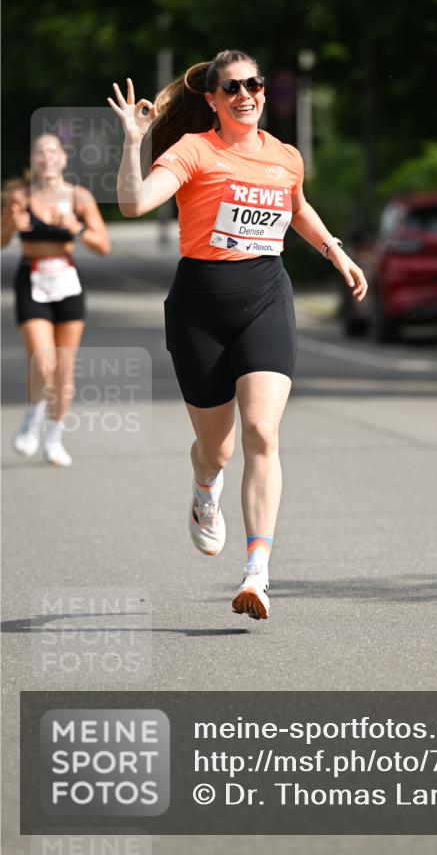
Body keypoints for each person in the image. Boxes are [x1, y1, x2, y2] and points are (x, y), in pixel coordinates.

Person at [108, 49, 367, 620]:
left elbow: (296, 207)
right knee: (217, 449)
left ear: (263, 92)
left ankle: (257, 572)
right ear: (213, 99)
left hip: (266, 299)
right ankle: (205, 489)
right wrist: (134, 141)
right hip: (200, 306)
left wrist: (335, 253)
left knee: (262, 433)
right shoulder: (193, 150)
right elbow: (132, 204)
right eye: (232, 88)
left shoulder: (285, 156)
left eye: (253, 85)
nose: (245, 95)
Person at [1, 133, 111, 466]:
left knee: (63, 369)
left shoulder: (79, 198)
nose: (46, 157)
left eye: (52, 151)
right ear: (33, 160)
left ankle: (54, 437)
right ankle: (33, 418)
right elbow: (1, 240)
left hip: (66, 281)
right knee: (43, 361)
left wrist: (77, 228)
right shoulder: (20, 197)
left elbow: (102, 245)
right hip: (31, 278)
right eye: (40, 152)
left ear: (63, 158)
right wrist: (11, 223)